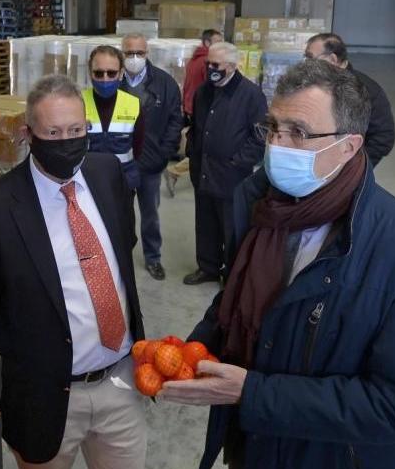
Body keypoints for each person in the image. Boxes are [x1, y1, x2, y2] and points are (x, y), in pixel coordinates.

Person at [160, 60, 395, 469]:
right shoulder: (260, 209)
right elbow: (234, 302)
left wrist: (251, 393)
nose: (277, 145)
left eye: (298, 132)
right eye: (273, 127)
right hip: (254, 457)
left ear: (349, 145)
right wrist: (191, 354)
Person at [0, 74, 148, 469]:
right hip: (45, 396)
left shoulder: (105, 174)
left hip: (121, 380)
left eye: (76, 131)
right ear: (28, 135)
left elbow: (123, 250)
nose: (67, 143)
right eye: (54, 134)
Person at [183, 42, 267, 286]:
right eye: (208, 63)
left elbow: (260, 136)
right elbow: (195, 127)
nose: (210, 68)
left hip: (232, 176)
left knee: (232, 227)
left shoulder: (251, 95)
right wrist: (192, 151)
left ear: (231, 66)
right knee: (205, 223)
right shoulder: (203, 91)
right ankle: (207, 267)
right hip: (203, 171)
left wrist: (237, 162)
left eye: (216, 65)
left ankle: (232, 274)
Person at [121, 33, 184, 280]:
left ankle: (153, 257)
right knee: (120, 212)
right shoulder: (112, 80)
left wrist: (164, 152)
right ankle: (120, 255)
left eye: (140, 53)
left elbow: (174, 121)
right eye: (129, 53)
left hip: (150, 162)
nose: (134, 58)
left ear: (147, 53)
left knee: (150, 213)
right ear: (121, 52)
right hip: (120, 162)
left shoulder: (164, 83)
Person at [305, 33, 395, 166]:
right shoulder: (316, 82)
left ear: (332, 59)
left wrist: (354, 166)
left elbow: (384, 137)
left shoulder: (366, 90)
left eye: (310, 58)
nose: (307, 64)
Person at [83, 45, 144, 192]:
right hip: (86, 185)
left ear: (121, 73)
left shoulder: (133, 104)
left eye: (111, 73)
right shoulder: (77, 103)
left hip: (123, 183)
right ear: (90, 73)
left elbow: (139, 149)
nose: (105, 79)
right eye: (98, 73)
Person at [182, 29, 224, 116]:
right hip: (201, 108)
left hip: (191, 106)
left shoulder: (193, 59)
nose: (221, 46)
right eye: (218, 42)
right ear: (207, 43)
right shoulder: (207, 61)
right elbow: (212, 86)